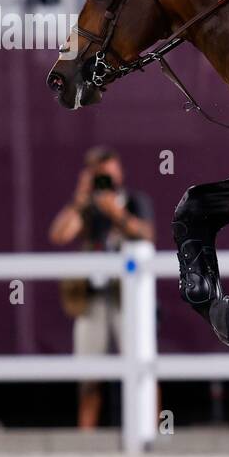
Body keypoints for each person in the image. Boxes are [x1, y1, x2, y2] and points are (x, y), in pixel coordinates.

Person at [48, 145, 156, 429]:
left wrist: (116, 213)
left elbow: (147, 235)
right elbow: (59, 235)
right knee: (89, 374)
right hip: (93, 298)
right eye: (100, 175)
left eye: (110, 172)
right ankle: (87, 438)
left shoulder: (134, 201)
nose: (107, 179)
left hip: (127, 296)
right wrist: (80, 199)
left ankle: (150, 429)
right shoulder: (87, 207)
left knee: (141, 365)